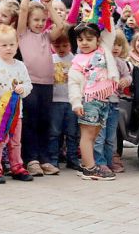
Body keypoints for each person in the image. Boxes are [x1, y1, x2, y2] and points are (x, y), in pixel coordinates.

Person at [16, 0, 66, 176]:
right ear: (28, 20)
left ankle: (44, 158)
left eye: (43, 20)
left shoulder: (47, 36)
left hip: (47, 85)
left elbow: (60, 26)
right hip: (29, 85)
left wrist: (49, 5)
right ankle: (31, 159)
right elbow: (22, 10)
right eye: (36, 20)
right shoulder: (22, 34)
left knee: (45, 121)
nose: (39, 23)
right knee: (30, 122)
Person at [0, 25, 34, 184]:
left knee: (16, 142)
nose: (8, 48)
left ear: (17, 44)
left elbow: (28, 85)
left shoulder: (20, 65)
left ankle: (17, 166)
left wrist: (23, 89)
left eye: (12, 44)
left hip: (17, 113)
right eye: (4, 45)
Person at [68, 23, 119, 181]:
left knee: (95, 134)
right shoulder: (78, 60)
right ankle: (90, 169)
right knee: (87, 135)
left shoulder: (104, 50)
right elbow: (74, 83)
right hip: (88, 100)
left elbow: (110, 30)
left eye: (89, 39)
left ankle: (86, 164)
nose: (84, 42)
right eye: (80, 39)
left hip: (103, 100)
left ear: (98, 40)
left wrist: (104, 6)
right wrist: (76, 103)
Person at [95, 30, 131, 174]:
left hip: (114, 104)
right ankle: (99, 162)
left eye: (119, 45)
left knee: (111, 136)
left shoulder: (121, 63)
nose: (116, 48)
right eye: (112, 44)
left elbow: (128, 77)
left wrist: (126, 81)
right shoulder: (99, 61)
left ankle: (110, 161)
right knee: (100, 135)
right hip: (100, 102)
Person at [47, 29, 80, 172]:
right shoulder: (51, 59)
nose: (61, 49)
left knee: (72, 133)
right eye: (57, 46)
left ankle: (72, 159)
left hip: (71, 101)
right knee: (54, 132)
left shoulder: (75, 60)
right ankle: (53, 159)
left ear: (70, 45)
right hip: (55, 101)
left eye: (64, 46)